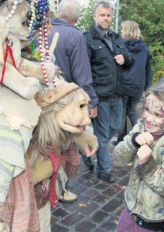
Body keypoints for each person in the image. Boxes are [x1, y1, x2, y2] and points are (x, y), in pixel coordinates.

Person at [113, 82, 164, 231]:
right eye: (147, 110)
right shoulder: (141, 126)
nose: (148, 118)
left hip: (153, 222)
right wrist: (133, 142)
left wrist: (146, 164)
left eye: (158, 115)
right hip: (130, 211)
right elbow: (117, 159)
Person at [47, 0, 99, 201]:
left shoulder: (41, 32)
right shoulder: (75, 36)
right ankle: (60, 190)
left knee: (47, 147)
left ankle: (47, 188)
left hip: (45, 100)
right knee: (66, 150)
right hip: (66, 103)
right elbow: (82, 75)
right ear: (76, 19)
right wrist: (91, 103)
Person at [83, 0, 133, 182]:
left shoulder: (116, 37)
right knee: (104, 135)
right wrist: (91, 99)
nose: (105, 18)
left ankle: (87, 148)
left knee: (116, 127)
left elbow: (130, 59)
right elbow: (85, 70)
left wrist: (125, 58)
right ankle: (104, 170)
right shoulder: (88, 38)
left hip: (117, 93)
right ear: (95, 16)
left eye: (108, 15)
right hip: (100, 95)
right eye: (102, 15)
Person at [115, 20, 152, 145]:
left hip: (123, 85)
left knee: (122, 112)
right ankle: (141, 135)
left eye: (122, 29)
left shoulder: (121, 46)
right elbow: (148, 70)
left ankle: (121, 140)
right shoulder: (144, 48)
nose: (121, 31)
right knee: (133, 112)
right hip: (138, 86)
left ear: (127, 30)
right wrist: (147, 88)